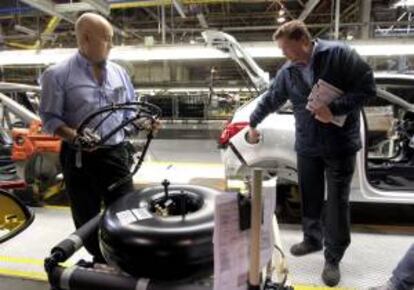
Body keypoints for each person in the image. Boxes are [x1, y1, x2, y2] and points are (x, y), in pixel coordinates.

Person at [248, 20, 375, 287]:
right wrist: (252, 122)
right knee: (310, 195)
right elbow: (272, 98)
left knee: (337, 202)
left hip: (339, 144)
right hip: (307, 144)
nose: (283, 56)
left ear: (303, 42)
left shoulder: (339, 55)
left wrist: (336, 109)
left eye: (286, 49)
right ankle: (312, 239)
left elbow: (367, 89)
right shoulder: (288, 71)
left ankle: (333, 257)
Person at [39, 13, 143, 263]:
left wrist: (142, 122)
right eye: (106, 39)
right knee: (86, 218)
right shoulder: (57, 75)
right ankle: (100, 262)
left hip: (116, 155)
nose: (111, 44)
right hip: (79, 159)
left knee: (127, 211)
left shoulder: (119, 72)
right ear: (85, 39)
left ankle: (126, 260)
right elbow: (50, 120)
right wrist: (74, 136)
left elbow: (130, 110)